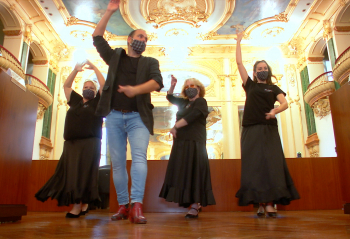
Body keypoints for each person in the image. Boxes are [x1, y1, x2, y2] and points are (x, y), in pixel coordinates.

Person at [92, 0, 163, 224]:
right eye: (139, 37)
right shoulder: (115, 57)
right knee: (119, 162)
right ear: (129, 39)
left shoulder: (150, 61)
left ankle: (137, 206)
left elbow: (157, 83)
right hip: (113, 116)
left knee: (139, 158)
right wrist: (109, 11)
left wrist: (136, 90)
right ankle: (123, 206)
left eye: (145, 38)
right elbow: (97, 37)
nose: (143, 40)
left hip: (138, 118)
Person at [234, 30, 300, 217]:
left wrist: (274, 111)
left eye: (265, 68)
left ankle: (270, 203)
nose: (263, 70)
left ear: (268, 71)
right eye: (259, 68)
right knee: (254, 166)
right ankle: (260, 203)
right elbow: (239, 63)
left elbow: (285, 103)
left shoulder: (273, 87)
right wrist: (239, 41)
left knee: (271, 165)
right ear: (255, 73)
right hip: (250, 130)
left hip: (269, 129)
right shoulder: (250, 85)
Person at [35, 60, 105, 218]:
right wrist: (75, 70)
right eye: (85, 88)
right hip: (72, 144)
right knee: (72, 173)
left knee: (85, 173)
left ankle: (79, 205)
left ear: (95, 91)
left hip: (90, 143)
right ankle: (82, 203)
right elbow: (66, 86)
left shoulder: (97, 103)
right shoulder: (76, 101)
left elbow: (104, 84)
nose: (88, 90)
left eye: (91, 88)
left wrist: (94, 67)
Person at [159, 76, 216, 218]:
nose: (190, 88)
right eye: (187, 86)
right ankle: (190, 202)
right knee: (184, 172)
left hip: (195, 142)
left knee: (195, 172)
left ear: (198, 88)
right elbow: (170, 97)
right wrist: (172, 85)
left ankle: (196, 205)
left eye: (193, 86)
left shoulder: (201, 102)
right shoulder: (183, 102)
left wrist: (176, 126)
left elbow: (194, 116)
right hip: (181, 142)